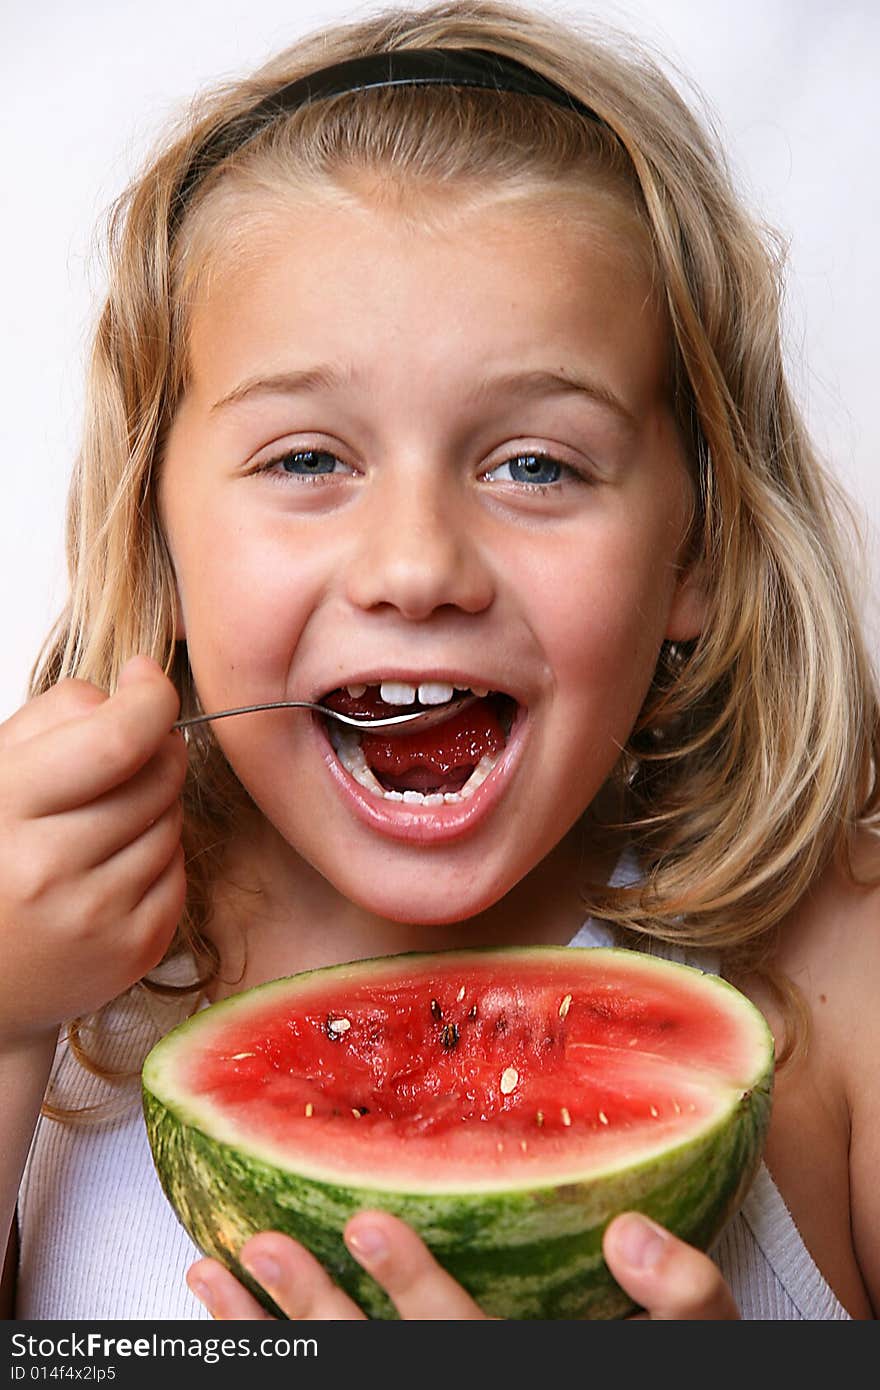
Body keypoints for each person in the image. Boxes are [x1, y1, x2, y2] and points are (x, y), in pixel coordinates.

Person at [2, 0, 878, 1323]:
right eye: (307, 459)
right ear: (158, 539)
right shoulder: (47, 988)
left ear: (696, 553)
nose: (416, 566)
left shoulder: (839, 975)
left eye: (537, 464)